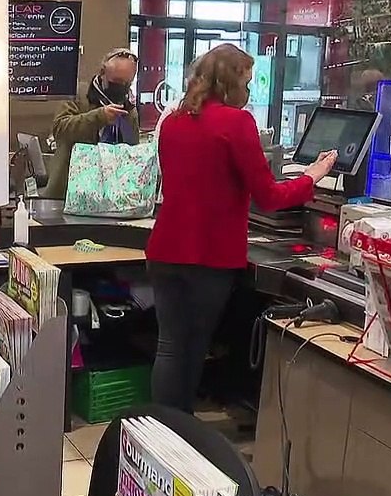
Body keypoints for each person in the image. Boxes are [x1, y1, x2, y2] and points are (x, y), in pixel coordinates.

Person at [146, 44, 337, 413]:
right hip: (210, 257)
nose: (250, 91)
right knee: (194, 347)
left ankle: (162, 434)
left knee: (170, 346)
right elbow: (267, 196)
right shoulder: (237, 123)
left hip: (166, 250)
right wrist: (311, 177)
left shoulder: (173, 120)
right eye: (247, 81)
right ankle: (179, 436)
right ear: (231, 82)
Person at [44, 48, 142, 198]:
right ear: (103, 73)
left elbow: (132, 151)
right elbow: (60, 128)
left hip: (111, 195)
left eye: (126, 83)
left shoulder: (129, 109)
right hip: (68, 190)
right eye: (116, 82)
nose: (120, 87)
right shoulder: (78, 94)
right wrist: (99, 117)